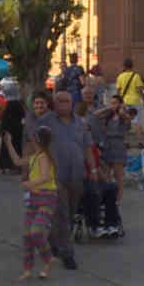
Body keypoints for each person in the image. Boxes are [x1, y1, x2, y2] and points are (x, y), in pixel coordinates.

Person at [35, 91, 98, 271]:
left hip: (76, 174)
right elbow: (36, 146)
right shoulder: (46, 121)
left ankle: (52, 241)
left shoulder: (80, 123)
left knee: (69, 213)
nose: (63, 103)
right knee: (61, 212)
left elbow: (87, 147)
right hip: (55, 175)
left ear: (72, 103)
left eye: (67, 101)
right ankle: (67, 253)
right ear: (54, 104)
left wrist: (93, 169)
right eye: (59, 101)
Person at [2, 126, 57, 281]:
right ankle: (28, 269)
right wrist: (8, 143)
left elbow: (45, 177)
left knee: (36, 231)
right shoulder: (34, 156)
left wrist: (29, 184)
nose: (30, 141)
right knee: (27, 235)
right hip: (34, 198)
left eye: (32, 139)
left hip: (47, 197)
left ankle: (48, 259)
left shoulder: (44, 157)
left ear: (38, 140)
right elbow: (17, 161)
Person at [95, 94, 131, 203]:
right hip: (107, 144)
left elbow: (127, 119)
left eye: (115, 103)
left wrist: (121, 110)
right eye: (112, 103)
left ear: (120, 103)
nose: (113, 105)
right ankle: (109, 196)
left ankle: (118, 199)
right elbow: (96, 115)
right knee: (106, 174)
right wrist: (108, 108)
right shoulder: (108, 116)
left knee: (117, 174)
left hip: (118, 144)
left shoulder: (123, 116)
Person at [115, 58, 144, 137]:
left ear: (124, 66)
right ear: (132, 66)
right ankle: (140, 142)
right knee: (137, 122)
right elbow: (139, 90)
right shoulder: (136, 76)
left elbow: (118, 91)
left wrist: (118, 102)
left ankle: (125, 142)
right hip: (135, 101)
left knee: (125, 121)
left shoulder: (120, 76)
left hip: (125, 102)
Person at [0, 93, 25, 175]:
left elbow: (3, 118)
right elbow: (23, 115)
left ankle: (4, 167)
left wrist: (1, 130)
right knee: (17, 148)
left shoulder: (6, 105)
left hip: (7, 128)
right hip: (17, 129)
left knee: (5, 148)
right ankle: (15, 167)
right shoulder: (18, 104)